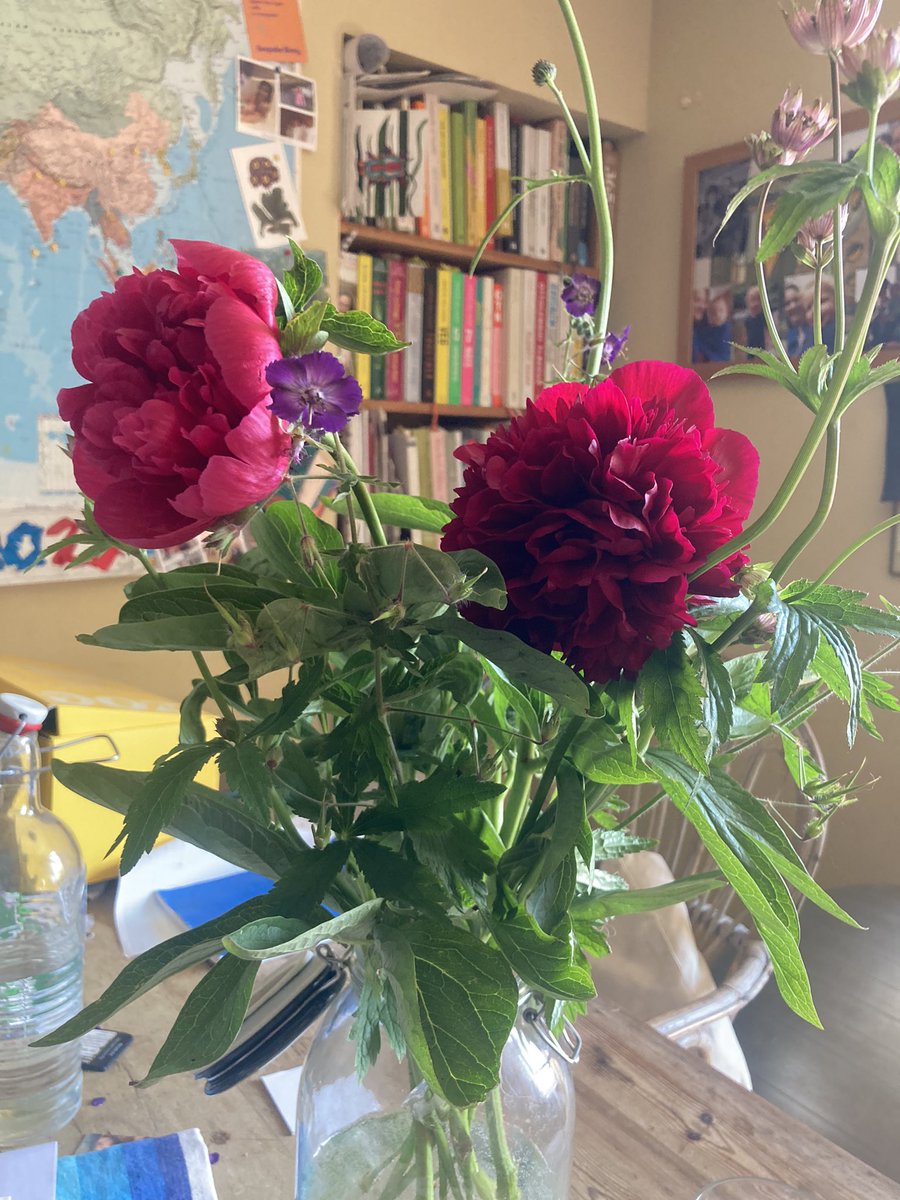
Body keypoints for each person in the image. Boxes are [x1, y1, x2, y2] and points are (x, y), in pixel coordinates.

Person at [743, 285, 766, 350]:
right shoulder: (747, 321)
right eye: (753, 300)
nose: (756, 303)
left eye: (758, 299)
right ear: (747, 302)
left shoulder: (765, 319)